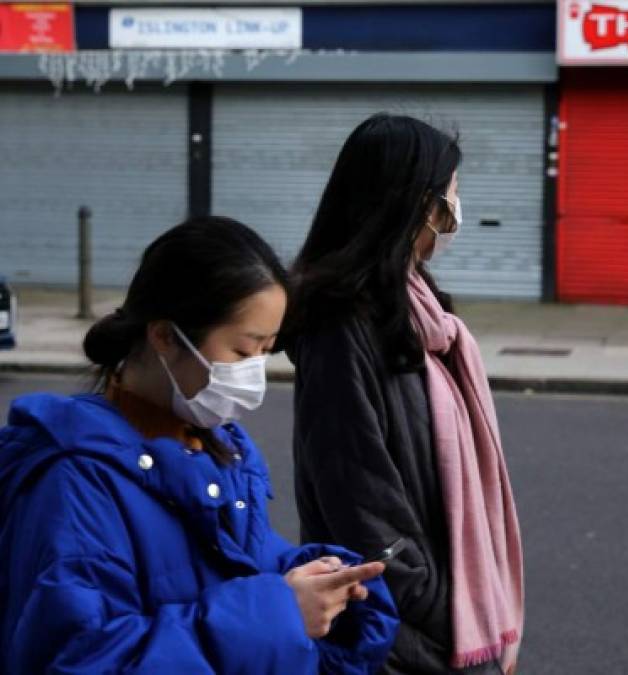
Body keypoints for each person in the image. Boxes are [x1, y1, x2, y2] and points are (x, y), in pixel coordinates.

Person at [0, 216, 398, 674]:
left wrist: (319, 579)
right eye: (243, 352)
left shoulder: (218, 448)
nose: (254, 373)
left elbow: (234, 567)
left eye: (268, 351)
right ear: (165, 336)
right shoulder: (74, 482)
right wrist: (281, 615)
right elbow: (78, 659)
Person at [284, 114, 524, 674]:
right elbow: (358, 499)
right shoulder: (340, 326)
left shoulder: (420, 311)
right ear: (415, 205)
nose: (454, 215)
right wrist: (448, 612)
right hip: (398, 634)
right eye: (450, 199)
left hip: (440, 625)